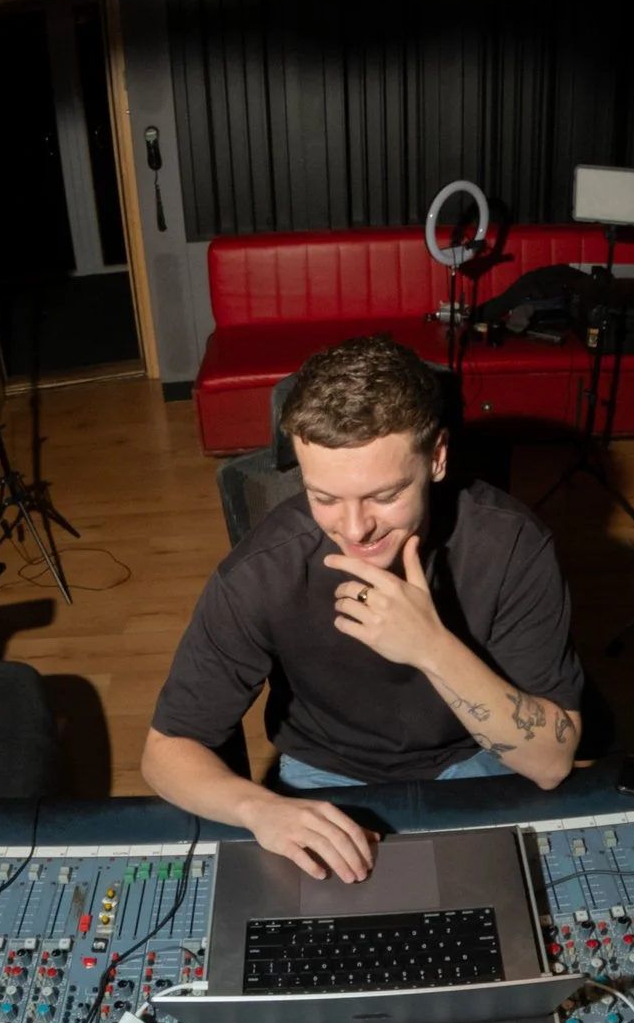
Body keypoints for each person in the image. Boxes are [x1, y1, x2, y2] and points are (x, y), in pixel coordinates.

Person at [142, 336, 585, 884]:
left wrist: (430, 647)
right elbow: (165, 752)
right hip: (324, 773)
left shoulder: (513, 545)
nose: (356, 530)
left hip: (476, 754)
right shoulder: (263, 570)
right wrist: (259, 809)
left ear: (437, 457)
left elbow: (550, 763)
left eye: (384, 495)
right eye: (325, 497)